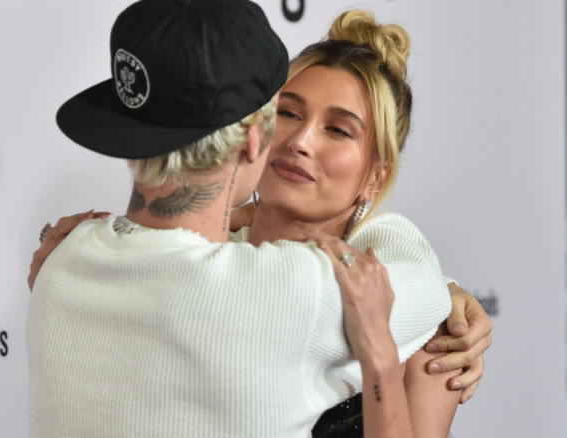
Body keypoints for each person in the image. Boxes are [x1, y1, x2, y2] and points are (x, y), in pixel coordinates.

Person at [28, 2, 489, 437]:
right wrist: (443, 286)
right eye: (286, 113)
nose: (300, 141)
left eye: (337, 129)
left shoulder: (70, 260)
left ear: (377, 174)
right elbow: (417, 278)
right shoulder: (303, 288)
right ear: (256, 137)